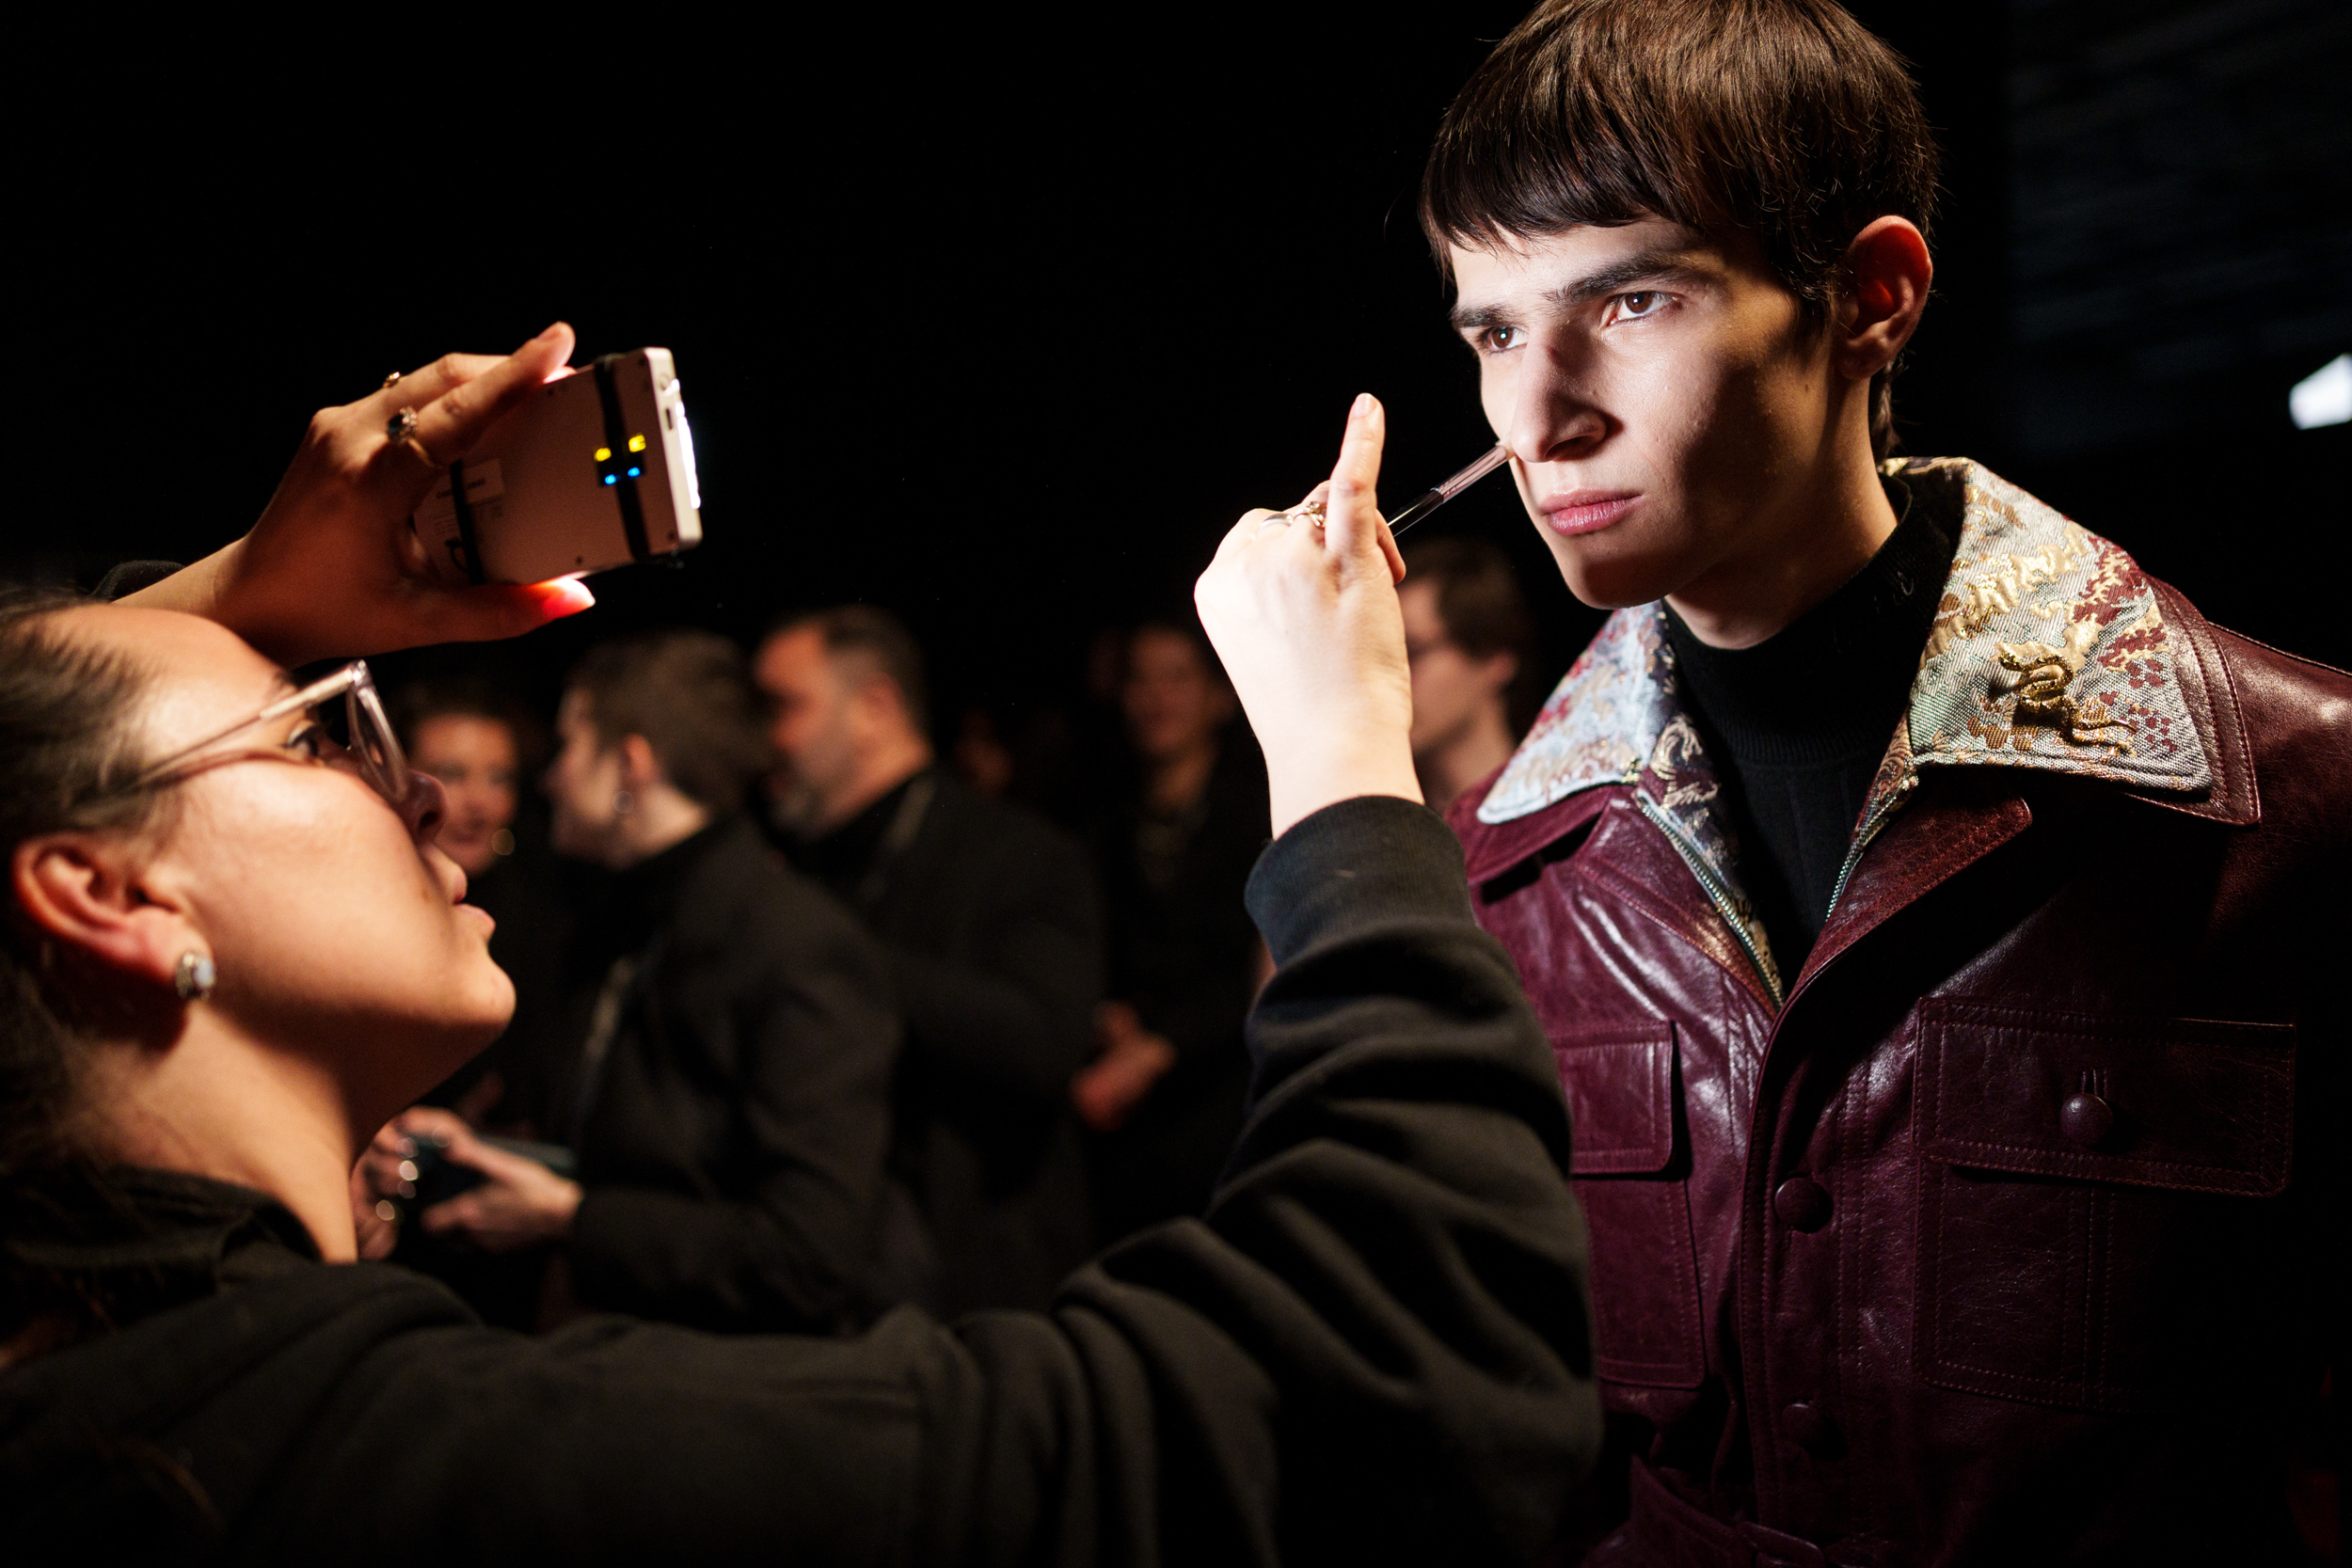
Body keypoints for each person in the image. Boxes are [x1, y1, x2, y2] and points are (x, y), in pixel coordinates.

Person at [0, 340, 1602, 1559]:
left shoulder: (110, 1382)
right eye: (320, 728)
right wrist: (1336, 738)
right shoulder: (387, 1451)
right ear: (107, 894)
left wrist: (224, 609)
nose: (420, 784)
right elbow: (1392, 1396)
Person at [1413, 3, 2346, 1561]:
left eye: (1629, 299)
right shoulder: (1496, 871)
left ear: (1871, 297)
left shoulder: (2286, 792)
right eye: (1493, 329)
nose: (1534, 418)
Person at [359, 629, 905, 1335]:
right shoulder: (636, 919)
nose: (549, 776)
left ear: (629, 765)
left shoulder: (795, 945)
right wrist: (474, 1150)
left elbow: (808, 1257)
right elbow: (645, 1159)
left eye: (570, 745)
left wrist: (570, 1216)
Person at [755, 607, 1100, 1314]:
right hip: (823, 1287)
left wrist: (827, 955)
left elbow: (1042, 1046)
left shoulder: (1021, 854)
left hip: (977, 1296)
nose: (764, 740)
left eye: (782, 706)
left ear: (874, 707)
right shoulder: (799, 868)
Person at [1075, 621, 1270, 1243]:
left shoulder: (1259, 812)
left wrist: (1162, 1043)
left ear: (1220, 696)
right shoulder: (1099, 827)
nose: (1156, 696)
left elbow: (1253, 963)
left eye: (1177, 677)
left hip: (1229, 1105)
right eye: (1140, 678)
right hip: (1129, 1132)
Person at [390, 677, 570, 1130]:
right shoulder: (351, 906)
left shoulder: (541, 917)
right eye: (451, 774)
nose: (479, 804)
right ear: (390, 775)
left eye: (499, 779)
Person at [1397, 536, 1537, 816]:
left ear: (1494, 656)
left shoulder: (1568, 813)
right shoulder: (1392, 842)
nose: (1390, 677)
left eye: (1410, 652)